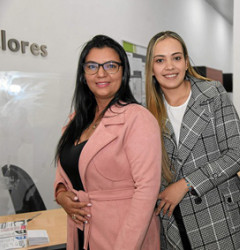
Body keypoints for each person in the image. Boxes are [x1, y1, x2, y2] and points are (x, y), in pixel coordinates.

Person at [53, 35, 161, 250]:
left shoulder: (137, 118)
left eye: (111, 65)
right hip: (82, 229)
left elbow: (146, 191)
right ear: (83, 74)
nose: (101, 73)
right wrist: (61, 194)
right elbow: (66, 171)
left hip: (124, 236)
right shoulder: (77, 120)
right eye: (92, 66)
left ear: (123, 72)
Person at [145, 31, 240, 249]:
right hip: (174, 222)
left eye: (176, 58)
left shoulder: (212, 93)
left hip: (217, 215)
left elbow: (237, 153)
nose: (170, 67)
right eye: (160, 60)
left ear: (186, 62)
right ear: (151, 69)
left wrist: (186, 184)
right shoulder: (148, 112)